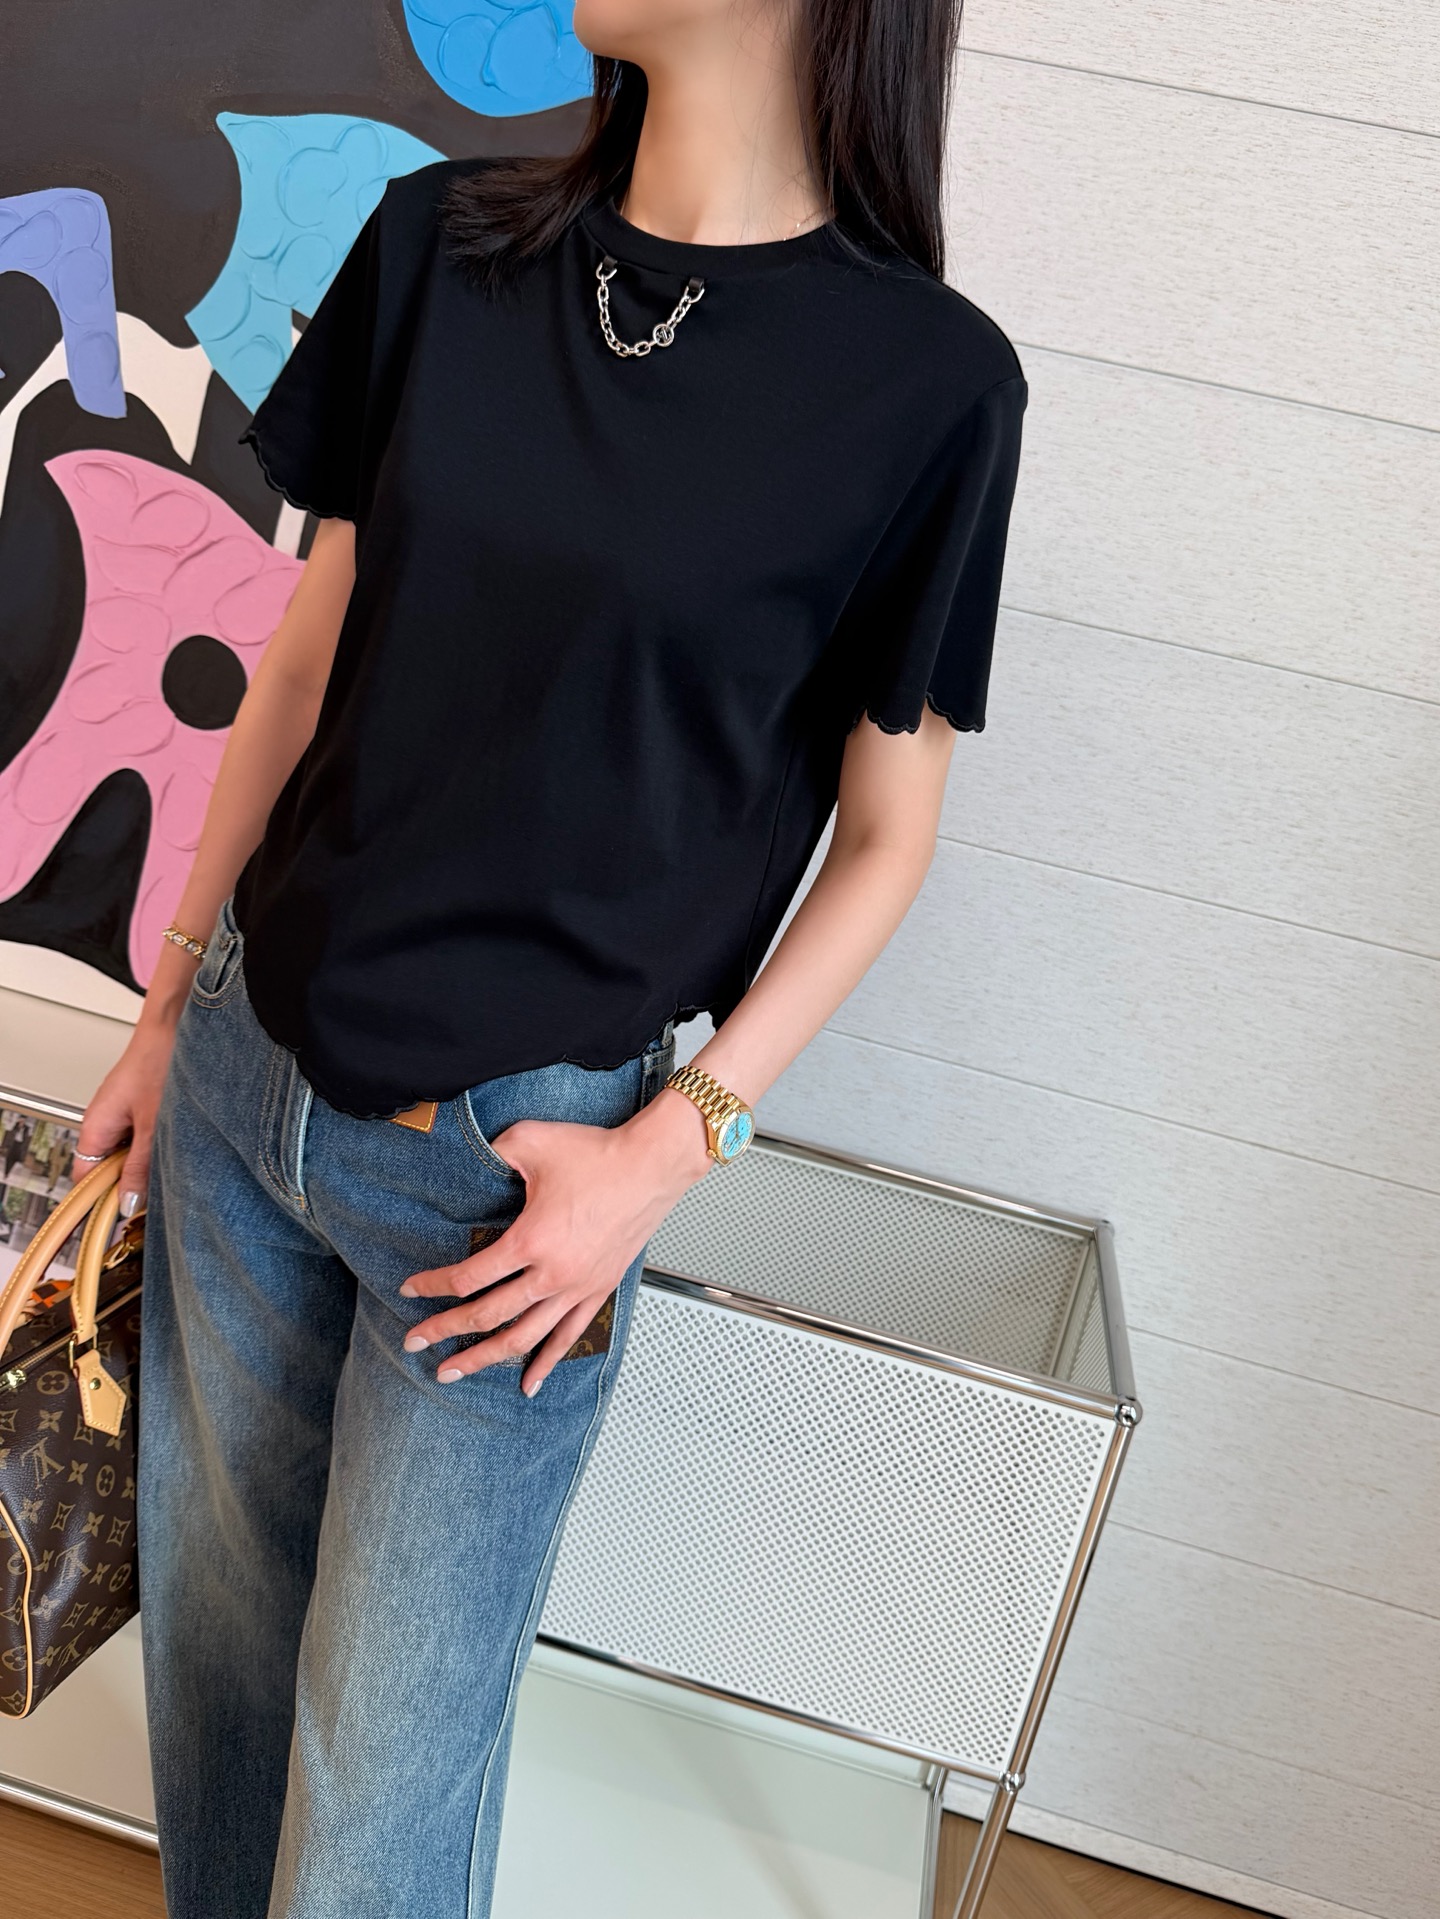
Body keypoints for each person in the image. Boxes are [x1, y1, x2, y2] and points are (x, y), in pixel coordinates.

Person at [77, 0, 1027, 1912]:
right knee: (223, 1717)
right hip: (250, 1089)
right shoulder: (441, 244)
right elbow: (302, 659)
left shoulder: (928, 387)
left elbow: (888, 839)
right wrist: (171, 1006)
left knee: (376, 1820)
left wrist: (669, 1153)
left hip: (514, 1201)